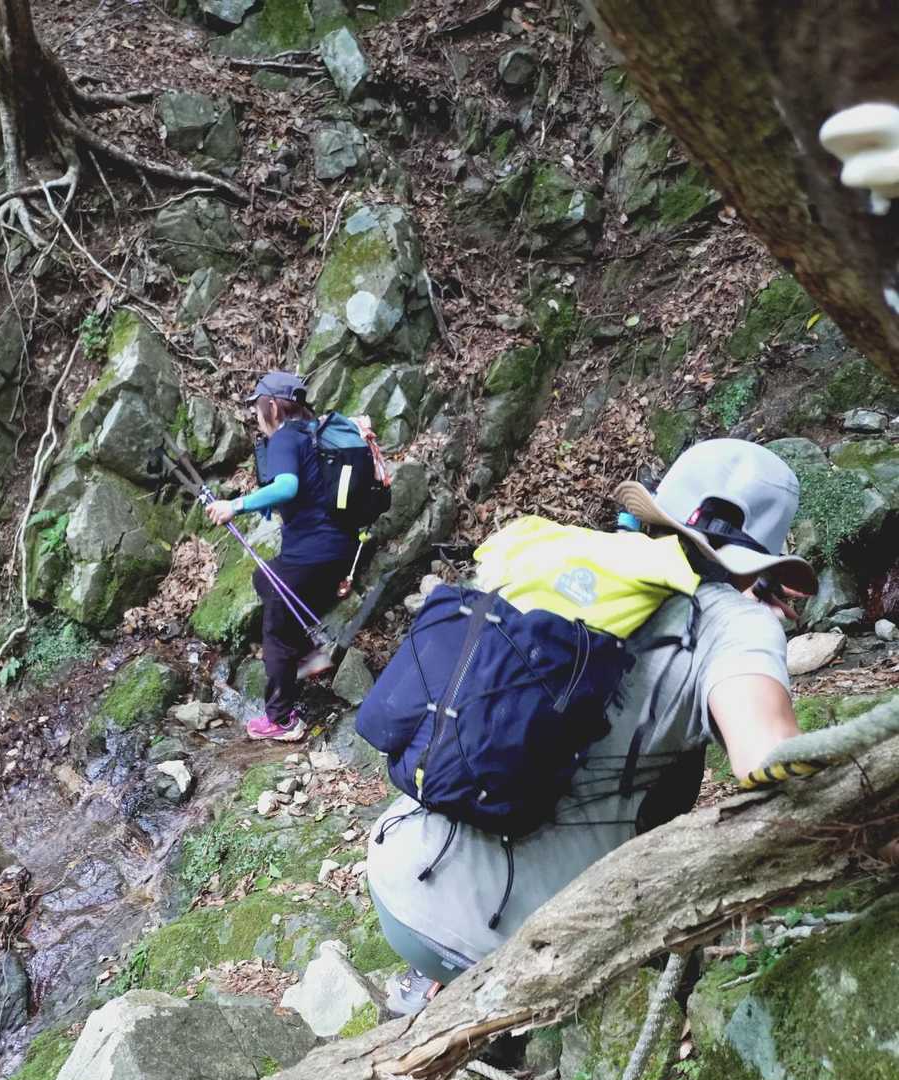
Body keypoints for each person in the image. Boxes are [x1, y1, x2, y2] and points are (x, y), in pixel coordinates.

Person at [365, 438, 815, 1015]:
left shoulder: (561, 556)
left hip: (395, 870)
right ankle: (503, 1006)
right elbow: (773, 764)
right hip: (493, 943)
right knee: (673, 762)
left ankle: (427, 979)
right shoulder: (735, 624)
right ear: (761, 561)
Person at [207, 371, 352, 742]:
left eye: (258, 407)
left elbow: (287, 486)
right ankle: (308, 655)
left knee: (275, 628)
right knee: (263, 578)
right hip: (338, 550)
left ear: (272, 406)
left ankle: (282, 719)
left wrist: (235, 505)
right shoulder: (311, 432)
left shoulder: (285, 438)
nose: (256, 415)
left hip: (310, 554)